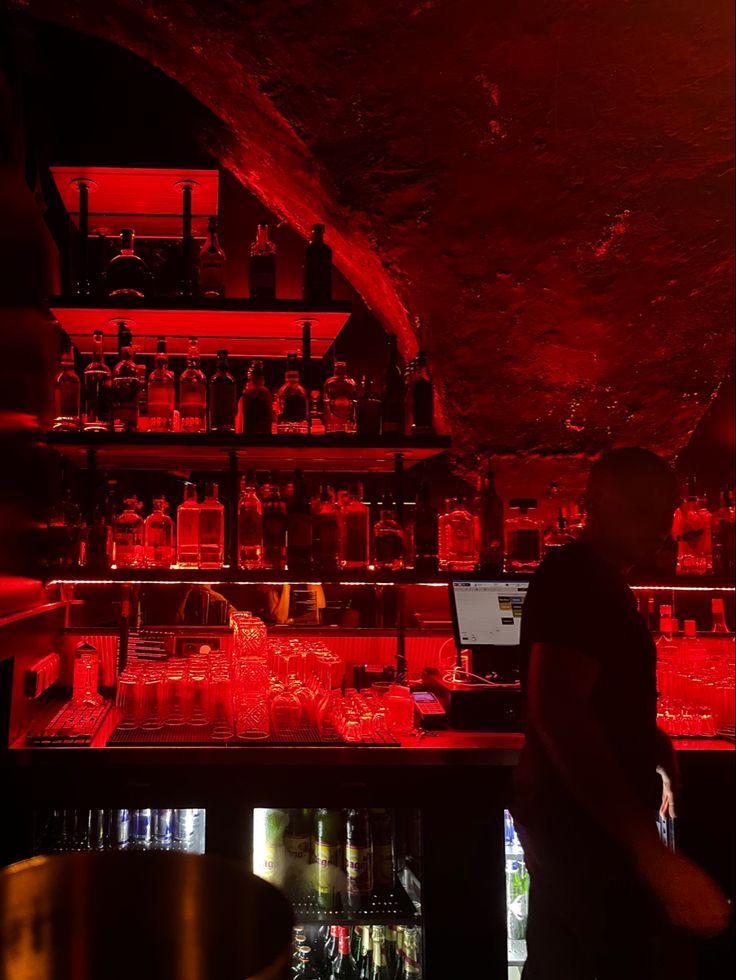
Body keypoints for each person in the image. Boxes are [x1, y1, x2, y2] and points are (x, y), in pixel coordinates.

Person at [512, 448, 730, 979]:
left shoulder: (599, 582)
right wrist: (650, 854)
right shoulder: (577, 582)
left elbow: (594, 699)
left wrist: (650, 738)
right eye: (640, 509)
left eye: (666, 511)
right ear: (595, 506)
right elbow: (560, 711)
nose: (659, 527)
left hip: (586, 834)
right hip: (585, 836)